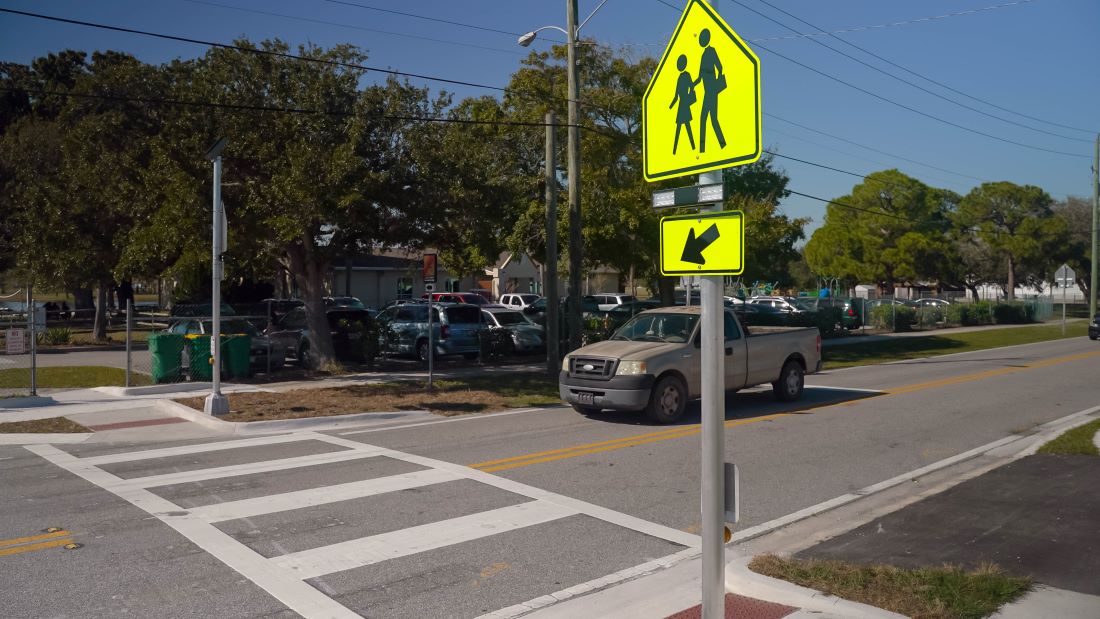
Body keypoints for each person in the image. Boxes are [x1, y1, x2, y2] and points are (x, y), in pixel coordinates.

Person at [692, 28, 727, 153]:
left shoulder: (711, 51)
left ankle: (720, 145)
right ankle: (709, 147)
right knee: (708, 119)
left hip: (711, 90)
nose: (701, 40)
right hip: (707, 91)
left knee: (710, 119)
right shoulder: (703, 55)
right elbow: (700, 76)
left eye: (702, 38)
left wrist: (717, 82)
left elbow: (720, 67)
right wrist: (692, 84)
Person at [668, 54, 696, 155]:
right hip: (681, 106)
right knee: (680, 128)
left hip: (685, 104)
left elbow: (692, 86)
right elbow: (676, 95)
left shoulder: (687, 75)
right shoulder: (679, 78)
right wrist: (670, 106)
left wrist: (690, 96)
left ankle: (693, 147)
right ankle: (675, 150)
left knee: (687, 127)